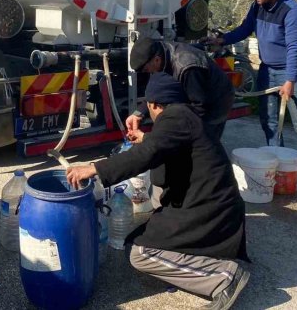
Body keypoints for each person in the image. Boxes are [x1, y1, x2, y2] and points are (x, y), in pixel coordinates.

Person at [67, 73, 249, 310]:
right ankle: (208, 259)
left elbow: (146, 156)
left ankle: (223, 278)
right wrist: (147, 138)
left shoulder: (175, 119)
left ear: (154, 105)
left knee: (139, 252)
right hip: (212, 206)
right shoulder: (185, 115)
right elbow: (165, 146)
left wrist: (93, 168)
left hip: (210, 213)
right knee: (140, 235)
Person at [205, 0, 297, 172]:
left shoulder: (293, 11)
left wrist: (290, 80)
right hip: (267, 69)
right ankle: (278, 169)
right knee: (270, 122)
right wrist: (222, 40)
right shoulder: (257, 7)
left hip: (292, 72)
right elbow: (245, 29)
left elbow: (295, 48)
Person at [126, 37, 235, 141]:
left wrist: (169, 133)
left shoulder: (187, 67)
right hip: (197, 96)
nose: (148, 72)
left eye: (146, 69)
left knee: (203, 147)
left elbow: (200, 108)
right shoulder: (162, 54)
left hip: (215, 104)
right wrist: (137, 114)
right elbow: (155, 95)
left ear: (157, 60)